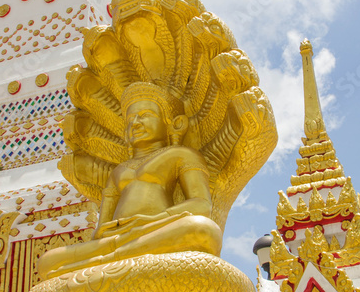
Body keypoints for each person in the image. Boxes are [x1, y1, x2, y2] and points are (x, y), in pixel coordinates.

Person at [37, 83, 222, 280]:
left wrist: (153, 220)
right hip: (116, 238)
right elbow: (101, 229)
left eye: (144, 115)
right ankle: (114, 261)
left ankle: (103, 266)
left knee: (201, 229)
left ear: (173, 123)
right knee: (48, 260)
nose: (135, 123)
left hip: (156, 228)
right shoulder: (118, 171)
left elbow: (202, 205)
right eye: (130, 119)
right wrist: (106, 234)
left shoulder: (181, 155)